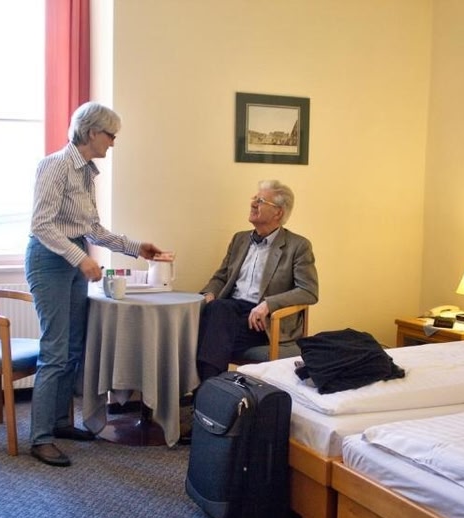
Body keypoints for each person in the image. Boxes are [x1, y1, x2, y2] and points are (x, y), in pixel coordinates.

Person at [26, 102, 165, 467]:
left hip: (73, 258)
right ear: (91, 133)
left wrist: (137, 248)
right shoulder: (56, 165)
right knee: (55, 351)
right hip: (49, 261)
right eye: (111, 135)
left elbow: (94, 230)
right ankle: (40, 438)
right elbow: (41, 225)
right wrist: (80, 259)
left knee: (73, 348)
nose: (113, 142)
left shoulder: (87, 172)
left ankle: (60, 423)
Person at [195, 179, 318, 382]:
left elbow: (309, 291)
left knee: (211, 326)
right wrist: (209, 294)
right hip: (229, 312)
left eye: (260, 201)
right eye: (254, 198)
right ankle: (215, 389)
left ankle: (209, 389)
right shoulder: (240, 239)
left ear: (278, 212)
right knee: (211, 313)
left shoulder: (298, 246)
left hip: (263, 322)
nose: (252, 203)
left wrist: (268, 304)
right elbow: (221, 277)